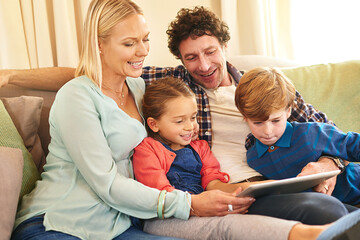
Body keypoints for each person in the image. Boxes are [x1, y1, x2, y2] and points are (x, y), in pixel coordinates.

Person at [1, 5, 355, 226]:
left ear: (224, 45)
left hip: (278, 179)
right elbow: (87, 73)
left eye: (210, 52)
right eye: (190, 58)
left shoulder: (262, 85)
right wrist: (11, 76)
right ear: (180, 61)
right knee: (323, 211)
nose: (203, 66)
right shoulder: (170, 85)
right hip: (225, 186)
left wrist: (329, 163)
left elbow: (326, 130)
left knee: (331, 196)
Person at [10, 1, 258, 239]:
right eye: (130, 44)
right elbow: (107, 184)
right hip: (59, 223)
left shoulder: (139, 87)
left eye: (145, 39)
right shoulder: (76, 96)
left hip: (120, 225)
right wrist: (189, 203)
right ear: (99, 45)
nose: (143, 51)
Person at [131, 76, 360, 240]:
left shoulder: (199, 147)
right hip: (175, 210)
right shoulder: (148, 149)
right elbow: (159, 191)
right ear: (153, 124)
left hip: (351, 185)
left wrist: (249, 189)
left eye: (193, 118)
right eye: (180, 121)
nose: (190, 126)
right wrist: (199, 203)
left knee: (348, 217)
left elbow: (212, 182)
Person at [234, 67, 360, 205]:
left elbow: (353, 145)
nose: (268, 131)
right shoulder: (253, 157)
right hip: (331, 209)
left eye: (275, 120)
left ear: (288, 111)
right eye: (258, 122)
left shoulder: (309, 133)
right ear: (245, 118)